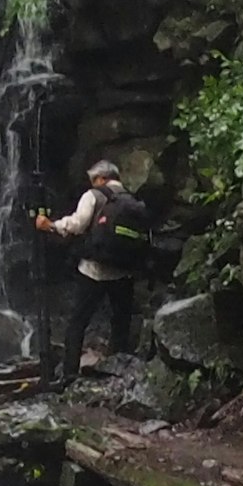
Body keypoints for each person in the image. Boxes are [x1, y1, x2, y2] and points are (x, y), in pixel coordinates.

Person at [37, 158, 151, 383]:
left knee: (78, 321)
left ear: (101, 178)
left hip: (94, 270)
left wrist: (50, 225)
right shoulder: (132, 200)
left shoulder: (93, 196)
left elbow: (78, 224)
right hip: (123, 271)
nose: (92, 184)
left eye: (93, 180)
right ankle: (117, 369)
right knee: (121, 320)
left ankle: (69, 373)